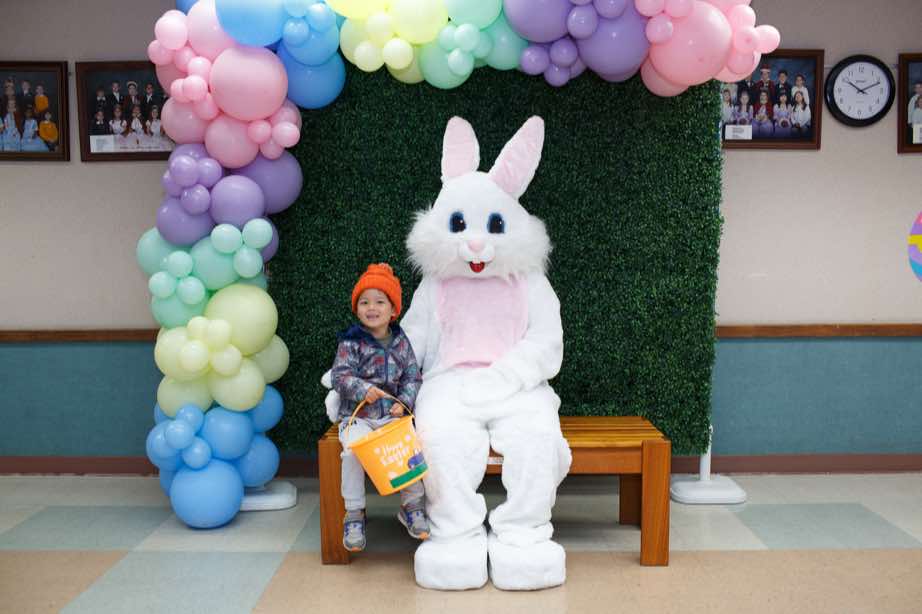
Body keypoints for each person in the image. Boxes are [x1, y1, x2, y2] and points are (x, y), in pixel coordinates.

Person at [330, 263, 429, 553]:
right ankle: (354, 513)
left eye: (379, 302)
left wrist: (404, 403)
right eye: (364, 302)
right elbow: (340, 376)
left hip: (391, 417)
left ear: (393, 309)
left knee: (408, 449)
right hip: (358, 418)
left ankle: (411, 506)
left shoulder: (400, 342)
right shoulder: (352, 341)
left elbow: (412, 376)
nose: (371, 308)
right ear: (356, 309)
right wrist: (363, 390)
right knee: (352, 452)